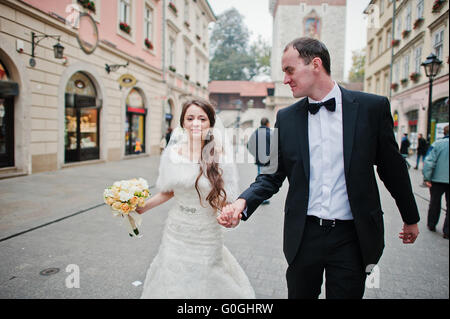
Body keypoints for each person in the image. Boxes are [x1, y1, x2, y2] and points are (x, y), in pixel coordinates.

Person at [218, 37, 420, 299]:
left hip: (353, 236)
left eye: (289, 70)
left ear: (315, 64)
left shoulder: (372, 108)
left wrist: (410, 217)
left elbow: (392, 169)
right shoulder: (287, 118)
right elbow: (272, 174)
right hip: (304, 235)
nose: (285, 79)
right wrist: (242, 203)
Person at [136, 99, 255, 299]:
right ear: (183, 123)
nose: (196, 123)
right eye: (190, 118)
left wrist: (228, 215)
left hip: (206, 232)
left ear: (210, 123)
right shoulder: (171, 154)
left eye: (202, 118)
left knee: (207, 278)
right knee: (172, 277)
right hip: (176, 230)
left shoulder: (220, 156)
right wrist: (142, 207)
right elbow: (168, 191)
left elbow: (226, 200)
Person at [423, 125, 449, 239]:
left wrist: (427, 178)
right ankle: (447, 231)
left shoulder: (438, 144)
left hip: (437, 180)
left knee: (434, 203)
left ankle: (431, 224)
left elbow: (429, 162)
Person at [247, 117, 272, 205]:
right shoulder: (270, 133)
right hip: (268, 160)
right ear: (268, 124)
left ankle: (261, 197)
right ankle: (262, 198)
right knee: (267, 179)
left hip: (259, 160)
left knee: (260, 178)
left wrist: (255, 154)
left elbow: (249, 145)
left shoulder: (255, 133)